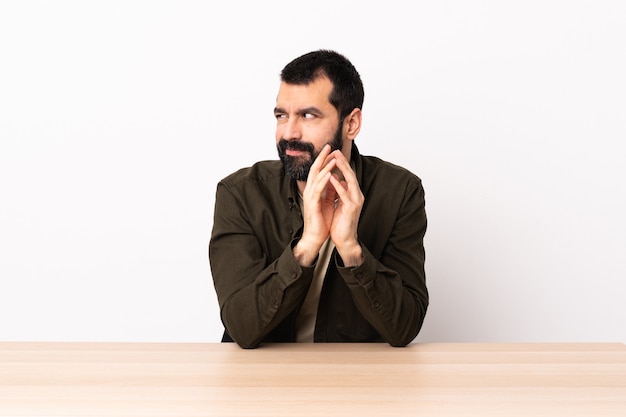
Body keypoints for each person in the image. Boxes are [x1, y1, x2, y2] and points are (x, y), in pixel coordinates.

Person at [209, 50, 428, 348]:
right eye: (281, 115)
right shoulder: (241, 194)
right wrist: (307, 245)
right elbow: (242, 329)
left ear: (351, 124)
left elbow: (404, 328)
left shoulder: (400, 192)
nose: (288, 133)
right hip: (261, 380)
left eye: (308, 115)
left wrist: (352, 250)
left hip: (353, 379)